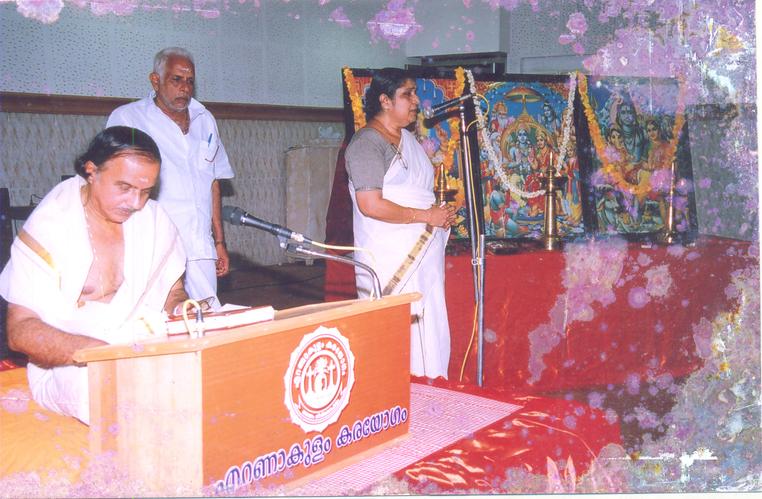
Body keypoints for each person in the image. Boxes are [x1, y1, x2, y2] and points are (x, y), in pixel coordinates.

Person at [0, 127, 188, 424]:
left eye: (146, 191)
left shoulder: (153, 220)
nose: (136, 203)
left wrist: (184, 312)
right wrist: (100, 354)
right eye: (124, 187)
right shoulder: (50, 227)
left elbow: (173, 292)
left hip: (141, 344)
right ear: (91, 171)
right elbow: (20, 331)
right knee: (113, 392)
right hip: (69, 363)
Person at [344, 68, 456, 380]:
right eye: (408, 94)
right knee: (393, 334)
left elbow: (417, 195)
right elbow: (370, 205)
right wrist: (427, 216)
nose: (417, 101)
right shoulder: (366, 143)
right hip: (388, 257)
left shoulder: (408, 140)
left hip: (422, 256)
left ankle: (430, 386)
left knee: (428, 322)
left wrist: (438, 214)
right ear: (385, 100)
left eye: (415, 93)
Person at [107, 47, 234, 310]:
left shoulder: (205, 119)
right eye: (176, 79)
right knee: (157, 319)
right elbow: (114, 185)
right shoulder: (128, 118)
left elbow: (213, 181)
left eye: (190, 81)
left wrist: (219, 242)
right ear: (156, 81)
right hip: (153, 245)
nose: (185, 88)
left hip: (199, 247)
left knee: (208, 316)